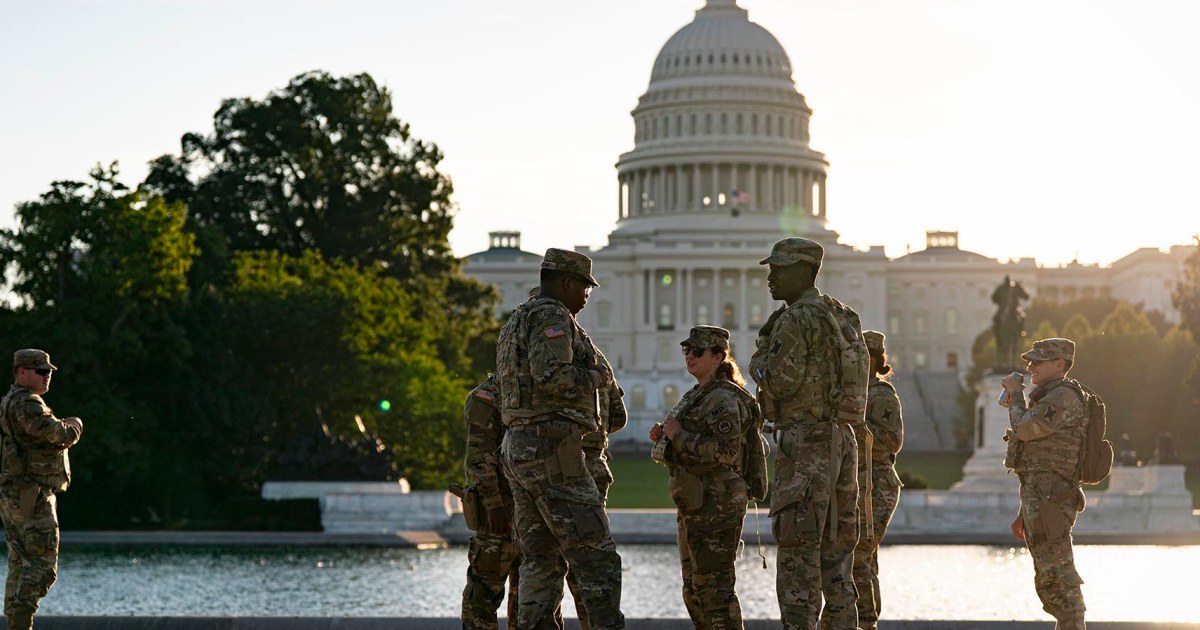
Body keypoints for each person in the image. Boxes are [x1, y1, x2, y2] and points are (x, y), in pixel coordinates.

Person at [494, 248, 624, 630]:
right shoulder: (552, 316)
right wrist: (596, 377)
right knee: (596, 556)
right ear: (567, 283)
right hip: (552, 450)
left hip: (519, 447)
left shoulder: (515, 321)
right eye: (584, 287)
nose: (586, 296)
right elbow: (553, 377)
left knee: (541, 559)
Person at [748, 237, 861, 630]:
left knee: (798, 561)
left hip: (805, 445)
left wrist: (760, 352)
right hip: (842, 442)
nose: (771, 277)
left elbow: (778, 381)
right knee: (837, 562)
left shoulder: (795, 318)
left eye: (778, 269)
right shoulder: (842, 314)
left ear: (803, 271)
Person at [648, 325, 755, 628]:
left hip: (717, 505)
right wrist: (665, 439)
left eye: (697, 351)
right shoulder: (699, 395)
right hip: (695, 504)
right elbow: (690, 448)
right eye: (687, 350)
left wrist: (678, 435)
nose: (689, 356)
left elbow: (725, 452)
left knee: (715, 593)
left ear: (719, 357)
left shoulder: (722, 399)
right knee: (694, 591)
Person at [1001, 338, 1089, 630]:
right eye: (1031, 360)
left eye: (1038, 361)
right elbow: (1038, 463)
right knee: (1049, 579)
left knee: (1059, 577)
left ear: (1060, 365)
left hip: (1052, 501)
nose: (1031, 366)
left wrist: (1015, 396)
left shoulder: (1063, 398)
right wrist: (1023, 510)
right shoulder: (1049, 396)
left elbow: (1025, 429)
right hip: (1041, 498)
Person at [0, 349, 83, 630]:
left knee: (21, 564)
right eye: (41, 371)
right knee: (43, 567)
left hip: (16, 495)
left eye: (48, 371)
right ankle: (21, 623)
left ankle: (16, 624)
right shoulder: (28, 403)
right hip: (32, 497)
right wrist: (75, 425)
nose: (47, 376)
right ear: (21, 372)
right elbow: (60, 434)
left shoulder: (9, 401)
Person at [852, 331, 904, 630]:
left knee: (859, 556)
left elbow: (891, 441)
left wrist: (855, 421)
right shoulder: (852, 392)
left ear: (874, 360)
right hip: (854, 484)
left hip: (876, 486)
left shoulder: (881, 394)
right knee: (858, 558)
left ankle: (866, 622)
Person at [460, 375, 521, 629]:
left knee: (531, 603)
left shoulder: (536, 391)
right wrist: (494, 504)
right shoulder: (489, 395)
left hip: (524, 514)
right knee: (483, 600)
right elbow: (480, 457)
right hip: (501, 514)